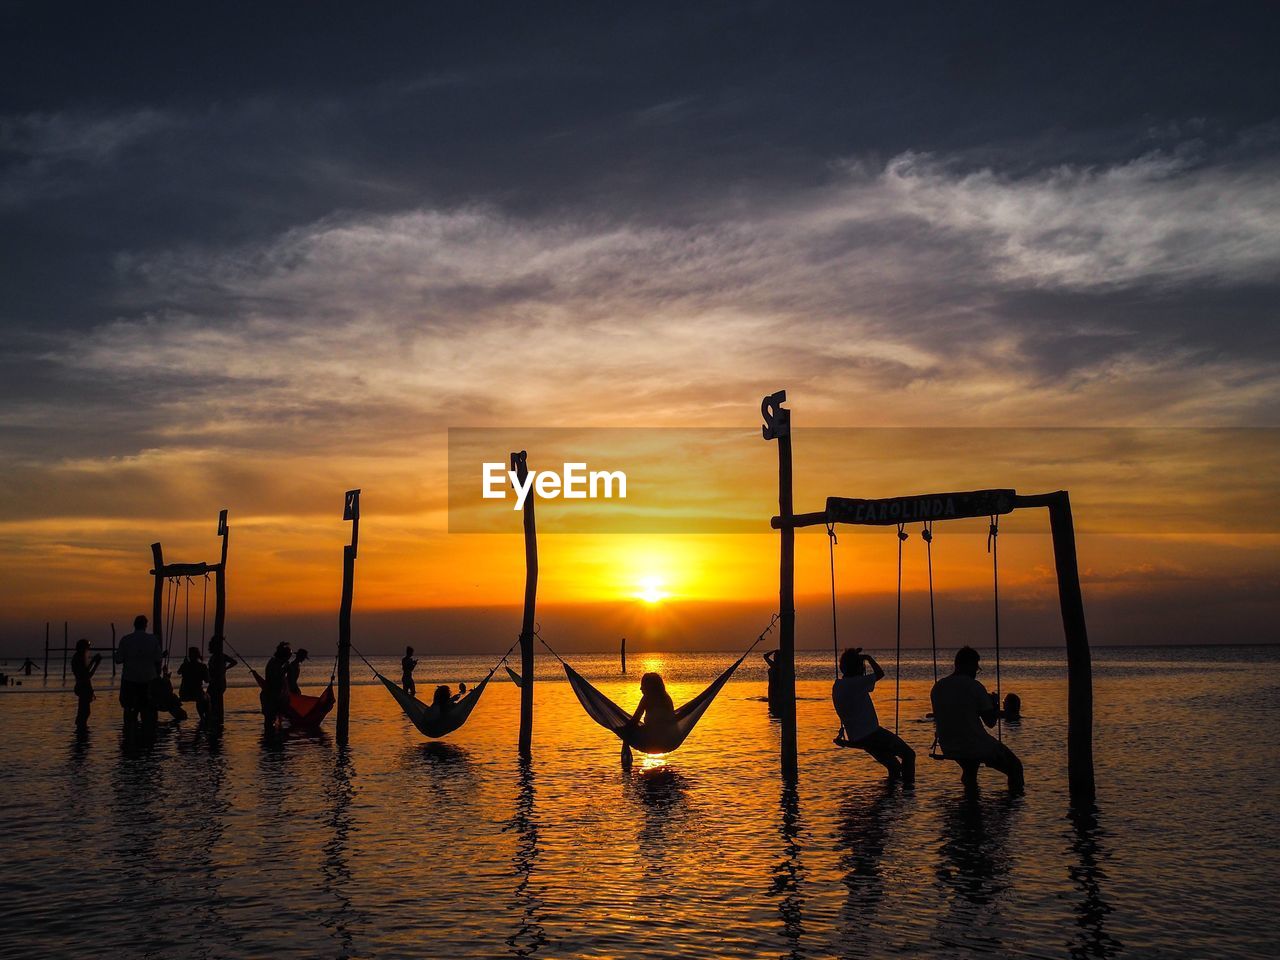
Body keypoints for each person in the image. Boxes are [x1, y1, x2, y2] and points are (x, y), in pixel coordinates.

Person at [930, 646, 1024, 793]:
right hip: (974, 744)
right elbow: (991, 723)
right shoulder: (974, 687)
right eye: (975, 667)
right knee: (1015, 767)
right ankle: (1012, 805)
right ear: (967, 665)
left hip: (949, 744)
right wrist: (993, 703)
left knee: (970, 770)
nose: (976, 671)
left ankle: (971, 802)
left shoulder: (938, 687)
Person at [832, 647, 916, 783]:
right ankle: (909, 795)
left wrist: (854, 657)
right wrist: (868, 658)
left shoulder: (838, 685)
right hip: (872, 734)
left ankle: (888, 801)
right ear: (857, 668)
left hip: (858, 737)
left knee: (894, 767)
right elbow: (879, 673)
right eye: (861, 666)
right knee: (909, 755)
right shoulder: (857, 683)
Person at [114, 615, 162, 742]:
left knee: (129, 710)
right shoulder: (153, 640)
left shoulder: (126, 639)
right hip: (148, 679)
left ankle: (129, 737)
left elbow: (118, 659)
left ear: (134, 625)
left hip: (130, 679)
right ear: (146, 625)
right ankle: (147, 739)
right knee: (148, 711)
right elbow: (158, 659)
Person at [620, 671, 677, 768]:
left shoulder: (647, 698)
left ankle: (626, 761)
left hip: (651, 737)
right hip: (667, 738)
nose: (641, 688)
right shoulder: (666, 698)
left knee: (626, 730)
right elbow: (672, 720)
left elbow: (635, 719)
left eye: (643, 685)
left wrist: (622, 732)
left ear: (650, 687)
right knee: (627, 731)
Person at [206, 635, 237, 731]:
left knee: (213, 699)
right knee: (210, 699)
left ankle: (215, 719)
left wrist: (225, 668)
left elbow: (234, 662)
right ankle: (212, 716)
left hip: (219, 683)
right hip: (213, 683)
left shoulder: (221, 656)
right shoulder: (213, 657)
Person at [71, 638, 102, 730]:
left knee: (84, 711)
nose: (88, 649)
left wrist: (93, 661)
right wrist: (96, 664)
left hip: (83, 687)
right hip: (83, 687)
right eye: (87, 647)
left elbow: (85, 672)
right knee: (84, 712)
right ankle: (81, 732)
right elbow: (87, 675)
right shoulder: (78, 658)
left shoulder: (78, 657)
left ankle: (81, 731)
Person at [261, 642, 292, 733]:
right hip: (271, 696)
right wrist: (285, 670)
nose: (289, 658)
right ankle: (270, 739)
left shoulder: (278, 664)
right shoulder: (274, 664)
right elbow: (275, 678)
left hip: (276, 696)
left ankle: (273, 738)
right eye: (288, 655)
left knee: (276, 720)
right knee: (270, 720)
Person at [178, 647, 211, 725]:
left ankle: (203, 718)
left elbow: (179, 672)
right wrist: (206, 670)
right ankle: (204, 716)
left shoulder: (185, 665)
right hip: (197, 694)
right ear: (198, 655)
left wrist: (184, 663)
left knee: (200, 697)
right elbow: (207, 680)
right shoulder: (202, 666)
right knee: (207, 697)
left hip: (184, 693)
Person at [763, 649, 781, 716]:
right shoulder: (774, 665)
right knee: (772, 703)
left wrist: (774, 651)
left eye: (775, 656)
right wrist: (774, 651)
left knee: (774, 704)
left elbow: (765, 656)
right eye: (774, 656)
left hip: (776, 687)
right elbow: (765, 656)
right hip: (771, 687)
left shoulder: (776, 666)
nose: (774, 657)